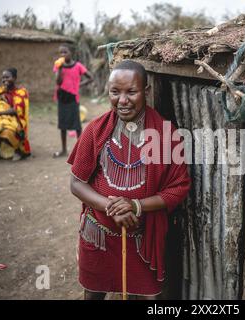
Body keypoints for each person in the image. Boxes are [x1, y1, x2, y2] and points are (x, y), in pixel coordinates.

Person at [68, 60, 191, 300]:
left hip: (142, 239)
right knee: (93, 293)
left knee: (149, 296)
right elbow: (76, 183)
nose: (122, 100)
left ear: (145, 91)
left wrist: (136, 206)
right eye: (115, 92)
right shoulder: (95, 130)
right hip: (99, 235)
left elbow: (178, 188)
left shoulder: (166, 134)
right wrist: (112, 208)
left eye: (131, 92)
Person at [53, 43, 93, 158]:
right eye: (61, 52)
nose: (63, 54)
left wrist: (78, 85)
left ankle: (80, 150)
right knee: (62, 125)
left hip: (73, 98)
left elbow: (90, 78)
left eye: (65, 52)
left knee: (77, 126)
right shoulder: (58, 66)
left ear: (71, 53)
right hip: (62, 98)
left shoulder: (78, 66)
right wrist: (60, 68)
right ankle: (64, 150)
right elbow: (58, 82)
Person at [0, 68, 31, 162]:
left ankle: (18, 151)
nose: (4, 80)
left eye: (7, 77)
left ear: (14, 78)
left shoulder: (21, 93)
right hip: (0, 118)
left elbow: (16, 111)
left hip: (17, 120)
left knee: (7, 131)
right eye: (3, 78)